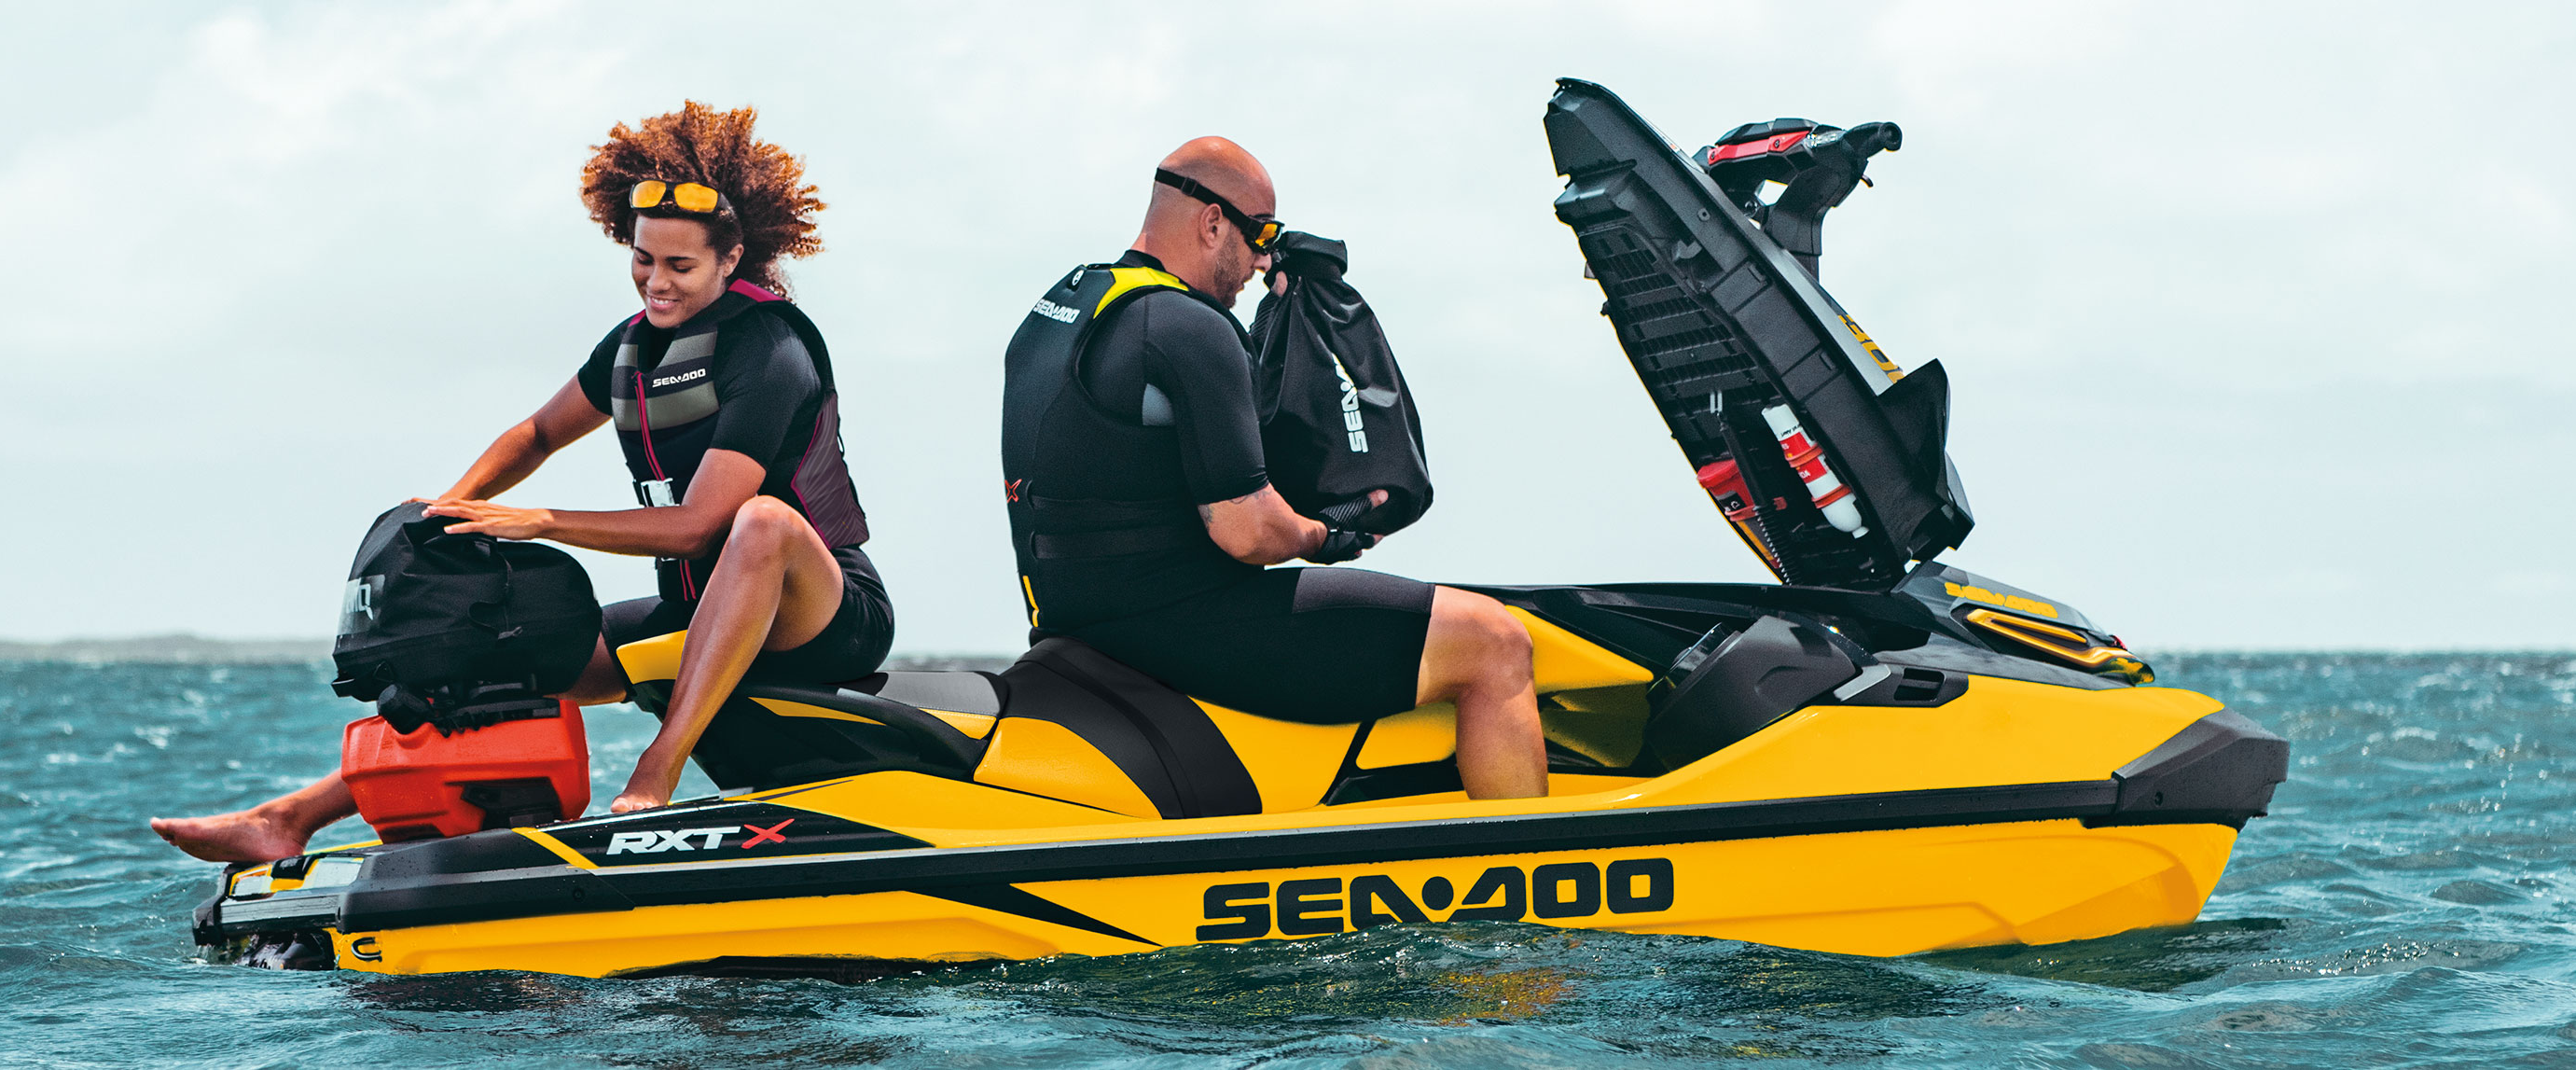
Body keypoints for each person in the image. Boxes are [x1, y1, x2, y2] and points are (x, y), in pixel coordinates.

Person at [154, 103, 890, 863]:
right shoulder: (634, 347)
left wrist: (537, 520)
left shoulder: (770, 348)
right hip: (697, 603)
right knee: (502, 643)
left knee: (759, 522)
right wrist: (455, 502)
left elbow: (702, 526)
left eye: (680, 267)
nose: (655, 283)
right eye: (643, 259)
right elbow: (538, 432)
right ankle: (291, 816)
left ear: (730, 260)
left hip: (822, 611)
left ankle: (658, 766)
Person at [1001, 137, 1548, 799]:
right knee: (1495, 640)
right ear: (1211, 223)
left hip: (1074, 618)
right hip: (1174, 626)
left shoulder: (1065, 307)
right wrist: (1327, 536)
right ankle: (1517, 877)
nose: (1263, 261)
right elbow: (1247, 532)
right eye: (1259, 233)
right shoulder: (1188, 327)